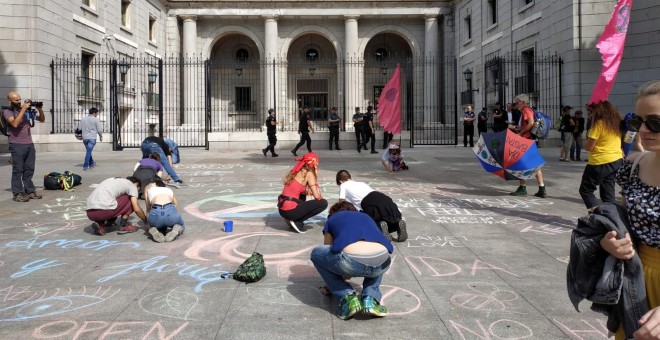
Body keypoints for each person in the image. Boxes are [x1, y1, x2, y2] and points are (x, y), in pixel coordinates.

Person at [599, 80, 660, 340]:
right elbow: (619, 221)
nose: (643, 130)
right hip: (636, 278)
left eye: (655, 122)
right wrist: (609, 241)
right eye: (637, 121)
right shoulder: (634, 165)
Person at [310, 201, 393, 320]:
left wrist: (334, 280)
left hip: (352, 261)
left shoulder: (333, 219)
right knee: (376, 256)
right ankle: (371, 299)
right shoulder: (366, 216)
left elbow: (328, 249)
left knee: (317, 254)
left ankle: (347, 298)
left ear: (333, 213)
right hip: (384, 261)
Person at [336, 170, 407, 242]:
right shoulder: (361, 183)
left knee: (372, 222)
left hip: (368, 202)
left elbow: (341, 201)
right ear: (350, 177)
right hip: (381, 197)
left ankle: (382, 230)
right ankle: (397, 224)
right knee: (388, 216)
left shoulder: (343, 185)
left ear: (340, 181)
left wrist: (338, 213)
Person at [578, 100, 623, 212]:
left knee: (586, 190)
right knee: (608, 194)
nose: (589, 114)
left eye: (590, 111)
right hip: (616, 160)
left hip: (600, 162)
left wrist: (585, 142)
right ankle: (613, 219)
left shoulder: (598, 124)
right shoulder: (615, 123)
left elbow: (589, 147)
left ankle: (599, 214)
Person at [3, 92, 46, 202]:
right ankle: (17, 193)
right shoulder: (8, 111)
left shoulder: (26, 111)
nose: (19, 101)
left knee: (29, 169)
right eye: (16, 100)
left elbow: (41, 119)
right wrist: (22, 110)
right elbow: (15, 124)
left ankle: (29, 190)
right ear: (10, 101)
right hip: (16, 144)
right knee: (18, 170)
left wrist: (39, 109)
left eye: (19, 99)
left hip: (29, 144)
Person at [277, 152, 328, 233]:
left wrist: (308, 192)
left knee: (302, 196)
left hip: (282, 210)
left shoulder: (296, 170)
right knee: (323, 203)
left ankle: (291, 219)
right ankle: (298, 221)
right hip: (290, 211)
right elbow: (317, 197)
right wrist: (317, 193)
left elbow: (298, 190)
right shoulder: (309, 173)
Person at [509, 94, 547, 198]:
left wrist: (520, 133)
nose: (516, 105)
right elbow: (528, 124)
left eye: (517, 102)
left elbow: (530, 123)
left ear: (523, 102)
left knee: (520, 163)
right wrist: (519, 128)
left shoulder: (526, 110)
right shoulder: (528, 110)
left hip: (526, 141)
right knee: (535, 164)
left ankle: (522, 188)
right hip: (531, 140)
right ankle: (542, 188)